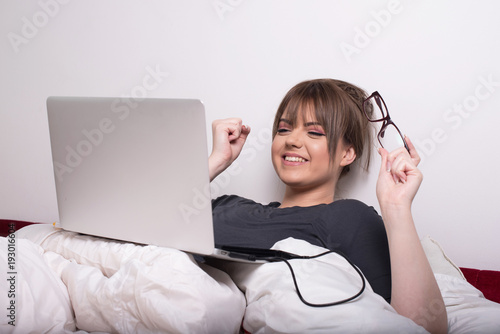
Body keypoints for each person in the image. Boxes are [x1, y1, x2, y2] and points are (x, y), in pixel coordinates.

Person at [207, 78, 447, 333]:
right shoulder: (227, 205)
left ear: (347, 154)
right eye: (284, 129)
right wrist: (215, 162)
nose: (292, 141)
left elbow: (423, 327)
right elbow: (162, 226)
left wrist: (396, 207)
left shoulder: (347, 218)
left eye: (314, 132)